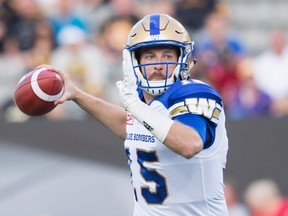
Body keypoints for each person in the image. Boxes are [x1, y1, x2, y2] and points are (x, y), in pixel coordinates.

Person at [38, 14, 229, 215]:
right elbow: (128, 124)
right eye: (149, 56)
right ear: (133, 61)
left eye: (167, 56)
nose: (158, 64)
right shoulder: (140, 101)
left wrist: (136, 107)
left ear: (182, 58)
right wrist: (76, 94)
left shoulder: (195, 93)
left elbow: (190, 144)